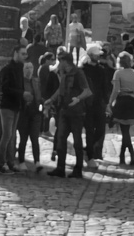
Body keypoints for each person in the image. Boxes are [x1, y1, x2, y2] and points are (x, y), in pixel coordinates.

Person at [44, 45, 91, 178]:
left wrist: (78, 99)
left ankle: (78, 169)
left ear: (65, 62)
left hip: (76, 112)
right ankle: (60, 168)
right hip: (64, 111)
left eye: (60, 61)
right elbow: (61, 89)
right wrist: (51, 100)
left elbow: (87, 90)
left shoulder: (78, 73)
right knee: (60, 139)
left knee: (77, 141)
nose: (59, 63)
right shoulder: (64, 73)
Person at [107, 51, 134, 166]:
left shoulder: (118, 73)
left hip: (122, 102)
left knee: (124, 131)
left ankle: (130, 153)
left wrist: (110, 103)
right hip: (133, 102)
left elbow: (116, 90)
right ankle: (122, 156)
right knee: (126, 131)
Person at [0, 44, 27, 173]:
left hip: (16, 105)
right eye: (22, 54)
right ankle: (1, 163)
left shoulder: (20, 69)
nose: (25, 56)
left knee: (13, 135)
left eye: (25, 54)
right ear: (15, 53)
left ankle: (10, 162)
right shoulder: (7, 69)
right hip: (7, 105)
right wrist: (21, 94)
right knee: (7, 135)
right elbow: (5, 88)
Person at [82, 42, 112, 166]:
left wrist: (107, 103)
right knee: (89, 130)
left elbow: (105, 86)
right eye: (96, 55)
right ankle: (89, 156)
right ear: (90, 55)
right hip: (87, 104)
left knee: (100, 130)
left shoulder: (101, 69)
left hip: (99, 103)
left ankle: (87, 149)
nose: (98, 57)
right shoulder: (83, 69)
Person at [17, 57, 43, 168]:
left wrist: (45, 102)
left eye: (31, 67)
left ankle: (37, 162)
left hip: (35, 113)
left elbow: (39, 96)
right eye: (26, 67)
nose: (29, 70)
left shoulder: (35, 81)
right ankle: (21, 161)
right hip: (23, 113)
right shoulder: (20, 82)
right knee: (23, 138)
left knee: (35, 138)